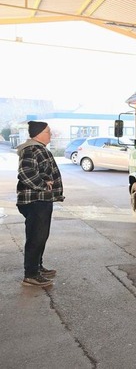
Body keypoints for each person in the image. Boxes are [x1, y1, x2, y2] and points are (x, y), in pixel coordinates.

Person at [16, 121, 65, 287]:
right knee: (36, 237)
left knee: (40, 236)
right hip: (35, 200)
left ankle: (37, 267)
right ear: (39, 133)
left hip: (41, 199)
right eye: (48, 131)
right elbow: (26, 173)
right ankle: (30, 275)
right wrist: (44, 185)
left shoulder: (39, 148)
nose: (50, 134)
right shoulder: (32, 149)